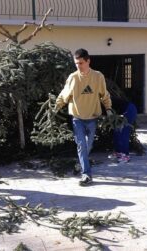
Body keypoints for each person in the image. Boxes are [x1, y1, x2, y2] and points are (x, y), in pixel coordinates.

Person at [55, 48, 113, 186]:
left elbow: (104, 94)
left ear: (88, 61)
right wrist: (56, 107)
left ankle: (79, 164)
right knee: (81, 145)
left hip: (92, 117)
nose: (78, 66)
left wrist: (108, 108)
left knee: (88, 145)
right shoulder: (73, 78)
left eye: (81, 63)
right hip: (77, 118)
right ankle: (86, 174)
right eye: (76, 63)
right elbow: (64, 95)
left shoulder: (98, 77)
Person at [108, 97, 137, 163]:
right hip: (122, 112)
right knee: (116, 133)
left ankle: (125, 155)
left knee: (123, 133)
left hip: (129, 110)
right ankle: (118, 152)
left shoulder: (103, 103)